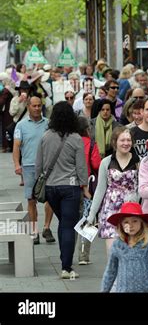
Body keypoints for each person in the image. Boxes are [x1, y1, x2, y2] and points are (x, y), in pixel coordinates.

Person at [36, 101, 88, 279]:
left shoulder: (45, 136)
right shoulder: (76, 138)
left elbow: (39, 165)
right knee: (67, 225)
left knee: (63, 224)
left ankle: (64, 260)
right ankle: (66, 267)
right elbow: (81, 167)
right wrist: (85, 188)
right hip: (70, 187)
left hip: (51, 188)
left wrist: (39, 182)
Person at [86, 127, 140, 255]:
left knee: (130, 251)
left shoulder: (139, 161)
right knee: (112, 252)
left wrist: (135, 199)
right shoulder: (106, 162)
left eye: (128, 140)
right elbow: (100, 189)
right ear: (115, 142)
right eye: (122, 140)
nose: (126, 143)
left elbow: (141, 187)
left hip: (130, 210)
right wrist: (92, 214)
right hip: (110, 209)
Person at [13, 94, 55, 244]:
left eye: (39, 106)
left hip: (48, 167)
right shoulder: (21, 125)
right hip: (29, 166)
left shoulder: (49, 124)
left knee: (49, 198)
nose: (37, 108)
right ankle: (34, 230)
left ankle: (47, 228)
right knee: (31, 200)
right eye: (34, 106)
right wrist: (17, 165)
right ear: (28, 107)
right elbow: (16, 146)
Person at [101, 202, 148, 292]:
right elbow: (110, 271)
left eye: (135, 221)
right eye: (126, 222)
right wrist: (104, 290)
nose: (131, 225)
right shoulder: (118, 245)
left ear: (141, 222)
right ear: (121, 225)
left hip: (147, 290)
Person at [76, 116, 101, 265]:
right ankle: (83, 256)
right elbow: (96, 164)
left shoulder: (70, 142)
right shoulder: (91, 144)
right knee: (88, 220)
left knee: (71, 221)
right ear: (87, 128)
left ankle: (66, 254)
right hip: (88, 187)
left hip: (72, 187)